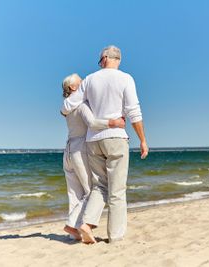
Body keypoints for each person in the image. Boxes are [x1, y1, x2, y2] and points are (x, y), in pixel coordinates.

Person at [61, 45, 148, 244]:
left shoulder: (90, 79)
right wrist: (142, 140)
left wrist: (65, 110)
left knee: (100, 187)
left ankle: (86, 224)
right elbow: (134, 112)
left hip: (93, 141)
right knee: (117, 190)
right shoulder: (126, 78)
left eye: (100, 60)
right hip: (116, 138)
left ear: (105, 58)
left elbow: (67, 106)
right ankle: (116, 236)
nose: (99, 63)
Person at [61, 73, 126, 240]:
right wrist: (113, 123)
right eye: (81, 83)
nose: (84, 84)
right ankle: (73, 225)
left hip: (68, 149)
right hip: (80, 149)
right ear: (74, 88)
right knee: (91, 191)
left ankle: (74, 234)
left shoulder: (67, 108)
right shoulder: (81, 105)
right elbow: (92, 123)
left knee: (74, 193)